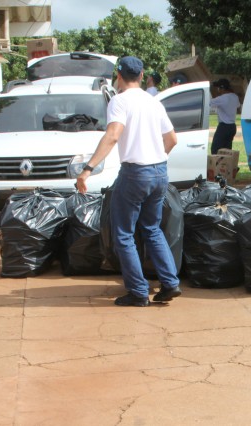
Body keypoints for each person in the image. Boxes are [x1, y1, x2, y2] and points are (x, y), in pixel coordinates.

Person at [76, 56, 182, 307]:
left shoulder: (119, 101)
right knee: (152, 228)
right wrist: (155, 161)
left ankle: (137, 292)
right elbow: (173, 140)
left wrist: (88, 169)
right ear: (143, 75)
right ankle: (170, 283)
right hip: (159, 172)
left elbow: (113, 135)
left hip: (135, 174)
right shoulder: (154, 102)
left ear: (119, 76)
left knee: (123, 234)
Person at [210, 78, 241, 154]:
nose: (217, 90)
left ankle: (217, 165)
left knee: (215, 149)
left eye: (218, 88)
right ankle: (227, 165)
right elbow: (238, 105)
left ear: (222, 88)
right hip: (232, 126)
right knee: (227, 151)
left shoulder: (222, 99)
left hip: (223, 127)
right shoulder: (235, 97)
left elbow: (209, 103)